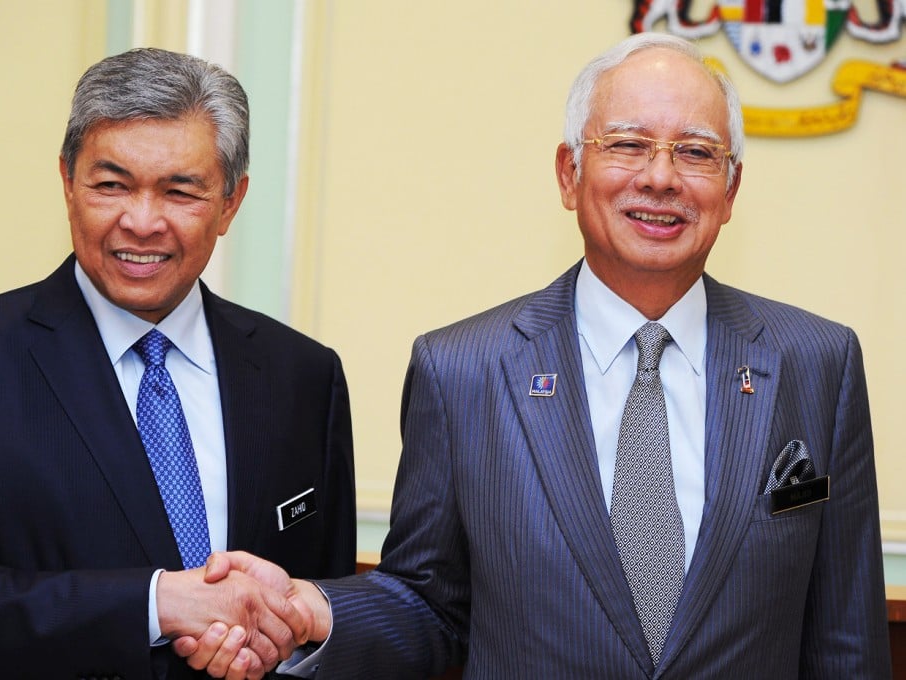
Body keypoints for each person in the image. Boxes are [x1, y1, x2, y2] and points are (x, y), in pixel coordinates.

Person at [185, 32, 893, 679]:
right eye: (626, 144)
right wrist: (318, 610)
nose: (660, 176)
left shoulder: (816, 363)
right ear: (568, 173)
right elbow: (429, 606)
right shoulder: (462, 370)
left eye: (697, 152)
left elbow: (846, 641)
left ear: (731, 189)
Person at [0, 48, 356, 680]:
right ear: (66, 181)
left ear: (231, 202)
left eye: (180, 190)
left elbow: (323, 599)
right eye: (110, 185)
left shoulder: (304, 375)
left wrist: (286, 640)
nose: (140, 222)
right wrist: (157, 604)